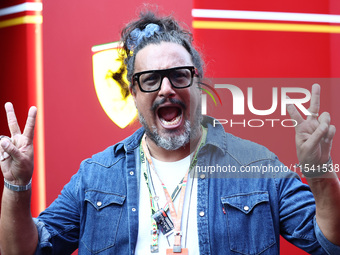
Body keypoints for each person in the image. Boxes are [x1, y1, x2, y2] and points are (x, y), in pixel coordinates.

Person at [0, 11, 340, 255]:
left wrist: (320, 172)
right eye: (150, 79)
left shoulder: (258, 166)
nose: (166, 89)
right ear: (133, 93)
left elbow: (329, 243)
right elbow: (23, 250)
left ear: (198, 85)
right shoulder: (96, 176)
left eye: (179, 75)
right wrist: (16, 186)